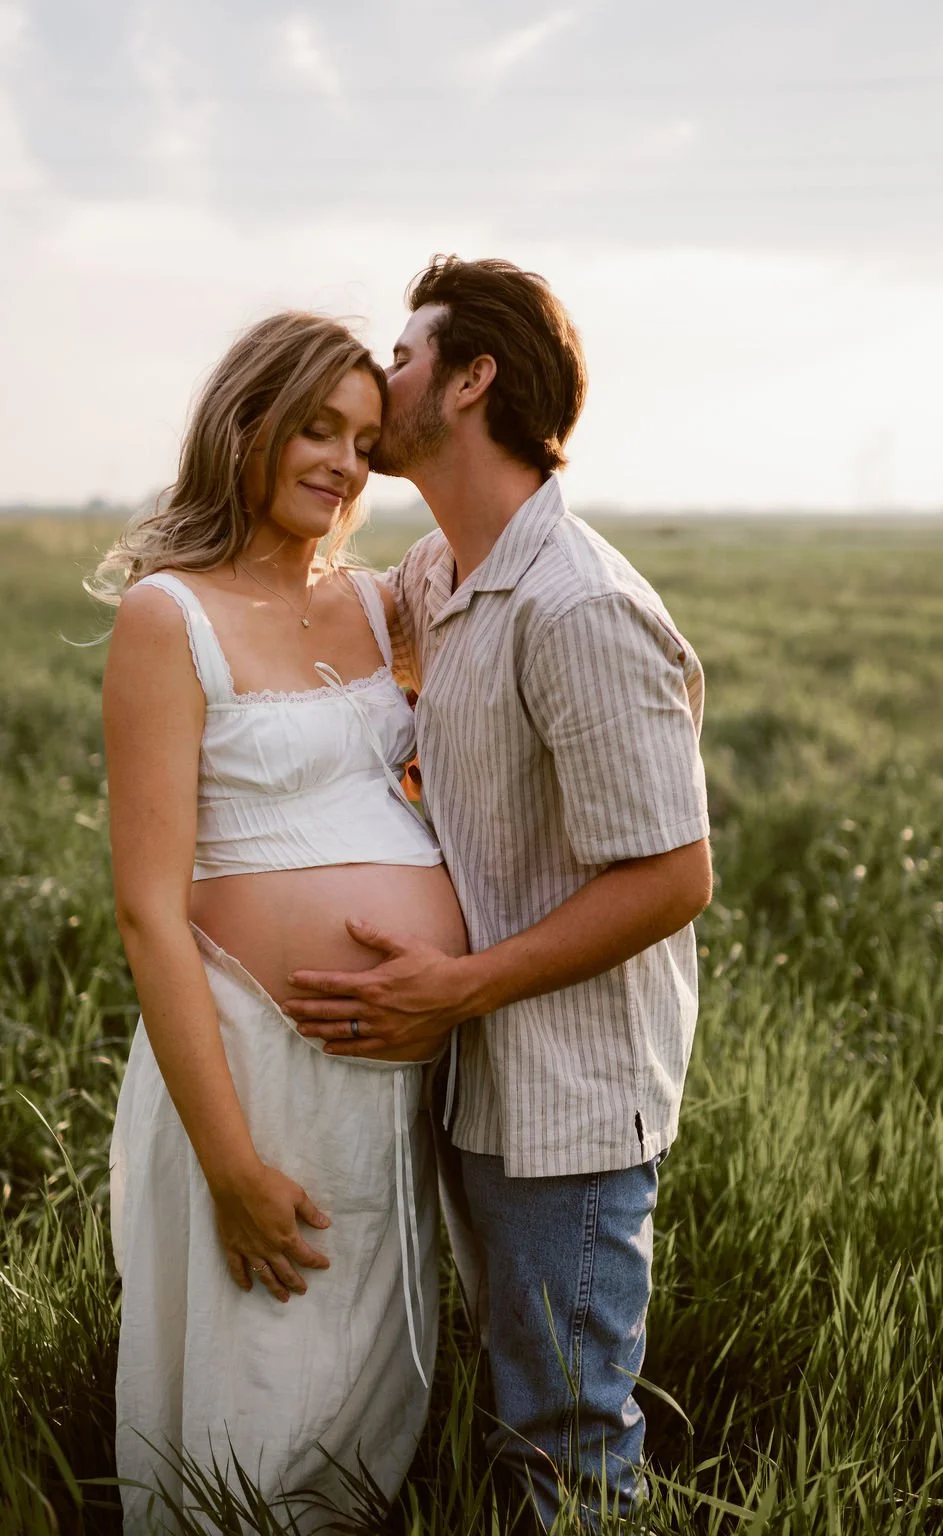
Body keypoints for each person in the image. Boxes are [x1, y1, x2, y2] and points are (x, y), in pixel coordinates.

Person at [285, 257, 713, 1530]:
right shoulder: (440, 577)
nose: (380, 374)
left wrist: (459, 983)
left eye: (404, 356)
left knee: (566, 1443)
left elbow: (674, 874)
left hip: (566, 1103)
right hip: (470, 1076)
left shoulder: (576, 605)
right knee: (505, 1403)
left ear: (473, 381)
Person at [95, 312, 468, 1532]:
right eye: (317, 428)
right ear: (244, 423)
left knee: (362, 1417)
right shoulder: (170, 615)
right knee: (248, 1414)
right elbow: (150, 915)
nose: (346, 462)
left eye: (365, 440)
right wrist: (230, 1166)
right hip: (250, 1072)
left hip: (390, 1086)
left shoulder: (376, 604)